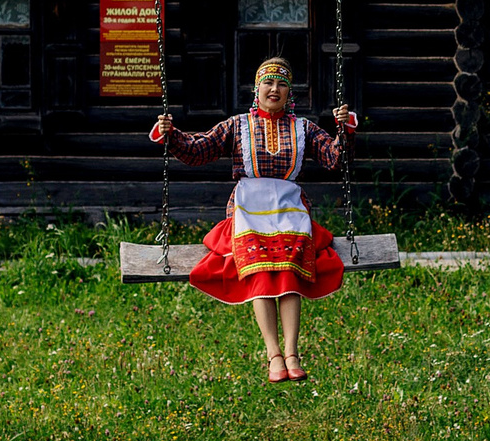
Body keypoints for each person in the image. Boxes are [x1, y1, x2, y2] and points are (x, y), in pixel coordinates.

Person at [150, 57, 359, 382]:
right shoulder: (237, 126)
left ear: (290, 92)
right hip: (248, 210)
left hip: (290, 210)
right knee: (260, 267)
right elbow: (198, 150)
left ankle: (292, 352)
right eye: (268, 82)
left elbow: (335, 159)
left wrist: (344, 130)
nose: (274, 89)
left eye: (282, 84)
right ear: (256, 88)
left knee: (290, 269)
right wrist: (171, 135)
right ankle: (273, 354)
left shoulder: (303, 129)